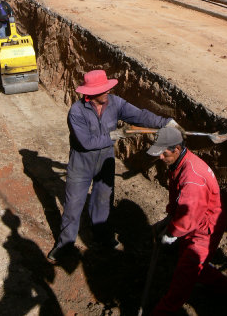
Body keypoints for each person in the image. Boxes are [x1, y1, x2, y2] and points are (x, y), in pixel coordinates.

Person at [47, 69, 181, 263]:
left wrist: (165, 122)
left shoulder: (115, 103)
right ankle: (64, 245)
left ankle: (102, 236)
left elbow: (139, 115)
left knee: (103, 201)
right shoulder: (76, 112)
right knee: (73, 205)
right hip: (81, 163)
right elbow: (86, 142)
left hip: (106, 162)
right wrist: (114, 135)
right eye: (103, 90)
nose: (107, 92)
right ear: (91, 94)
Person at [148, 127, 227, 315]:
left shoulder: (192, 178)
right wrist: (169, 218)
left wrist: (170, 233)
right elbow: (178, 199)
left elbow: (188, 217)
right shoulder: (179, 163)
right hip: (194, 221)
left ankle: (163, 311)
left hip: (204, 228)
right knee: (191, 265)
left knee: (184, 274)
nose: (160, 157)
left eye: (163, 153)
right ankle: (222, 287)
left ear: (176, 149)